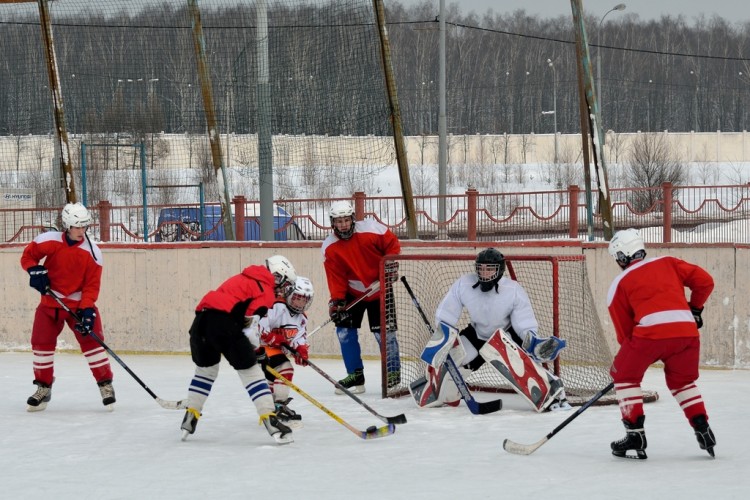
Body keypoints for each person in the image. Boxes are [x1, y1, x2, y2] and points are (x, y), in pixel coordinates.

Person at [606, 228, 716, 459]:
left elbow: (625, 335)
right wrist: (694, 309)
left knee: (625, 376)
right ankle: (702, 428)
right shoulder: (669, 262)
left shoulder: (619, 284)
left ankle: (635, 434)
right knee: (682, 381)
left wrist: (639, 356)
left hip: (649, 337)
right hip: (687, 333)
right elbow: (705, 282)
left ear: (621, 256)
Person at [418, 247, 567, 408]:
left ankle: (552, 393)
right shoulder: (464, 284)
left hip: (504, 334)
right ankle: (445, 395)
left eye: (490, 269)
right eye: (481, 268)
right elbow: (447, 311)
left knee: (520, 364)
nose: (484, 273)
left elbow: (523, 321)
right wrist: (444, 336)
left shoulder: (512, 290)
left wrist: (530, 340)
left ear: (500, 270)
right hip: (476, 334)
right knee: (452, 358)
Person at [180, 255, 298, 445]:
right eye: (284, 284)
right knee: (251, 373)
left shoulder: (242, 278)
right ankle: (272, 423)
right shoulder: (266, 291)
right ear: (277, 276)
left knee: (205, 372)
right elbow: (249, 328)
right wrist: (257, 352)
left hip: (200, 323)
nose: (283, 290)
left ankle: (190, 417)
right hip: (224, 324)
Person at [20, 202, 116, 412]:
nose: (81, 231)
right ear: (66, 225)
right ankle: (43, 387)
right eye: (77, 227)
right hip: (49, 304)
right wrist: (35, 270)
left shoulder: (93, 253)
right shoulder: (49, 241)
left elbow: (92, 286)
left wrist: (87, 310)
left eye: (84, 227)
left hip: (78, 305)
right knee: (40, 344)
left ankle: (105, 384)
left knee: (93, 344)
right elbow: (28, 256)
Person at [321, 200, 401, 394]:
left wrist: (389, 266)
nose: (343, 225)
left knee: (384, 334)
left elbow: (392, 244)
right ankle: (356, 375)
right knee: (344, 332)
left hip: (379, 289)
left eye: (346, 220)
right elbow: (336, 277)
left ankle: (393, 375)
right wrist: (337, 301)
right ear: (333, 223)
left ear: (352, 219)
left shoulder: (372, 229)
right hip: (352, 292)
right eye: (338, 221)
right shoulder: (330, 247)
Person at [255, 276, 314, 426]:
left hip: (274, 352)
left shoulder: (301, 318)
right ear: (288, 293)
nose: (300, 303)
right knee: (285, 368)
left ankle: (270, 409)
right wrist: (272, 338)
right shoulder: (276, 307)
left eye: (304, 300)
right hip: (259, 349)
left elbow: (299, 338)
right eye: (297, 298)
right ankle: (279, 405)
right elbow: (258, 328)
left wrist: (301, 351)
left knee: (271, 379)